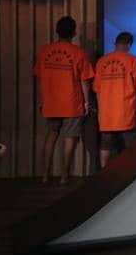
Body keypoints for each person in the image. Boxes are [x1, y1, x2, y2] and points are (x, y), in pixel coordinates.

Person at [33, 16, 94, 184]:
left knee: (51, 135)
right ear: (73, 33)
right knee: (69, 138)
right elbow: (85, 81)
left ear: (57, 31)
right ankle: (64, 176)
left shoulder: (45, 51)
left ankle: (45, 175)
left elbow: (40, 78)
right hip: (71, 103)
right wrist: (86, 102)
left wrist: (43, 99)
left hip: (51, 102)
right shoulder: (79, 53)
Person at [93, 32, 136, 168]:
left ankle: (104, 173)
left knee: (105, 146)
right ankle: (133, 174)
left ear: (115, 43)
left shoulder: (102, 61)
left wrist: (100, 111)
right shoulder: (133, 60)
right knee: (134, 147)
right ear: (129, 45)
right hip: (127, 112)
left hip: (107, 114)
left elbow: (97, 90)